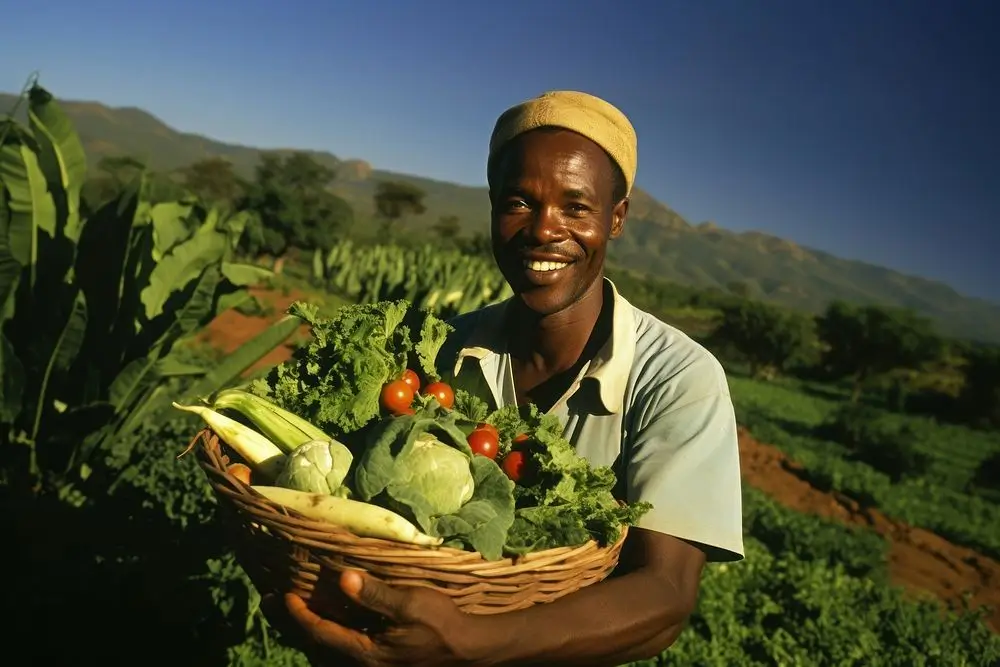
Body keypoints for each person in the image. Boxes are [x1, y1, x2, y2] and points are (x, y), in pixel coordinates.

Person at [273, 90, 745, 666]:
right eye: (520, 202)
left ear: (615, 219)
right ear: (494, 207)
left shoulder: (677, 378)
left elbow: (666, 596)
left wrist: (469, 643)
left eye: (576, 207)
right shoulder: (442, 349)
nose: (544, 230)